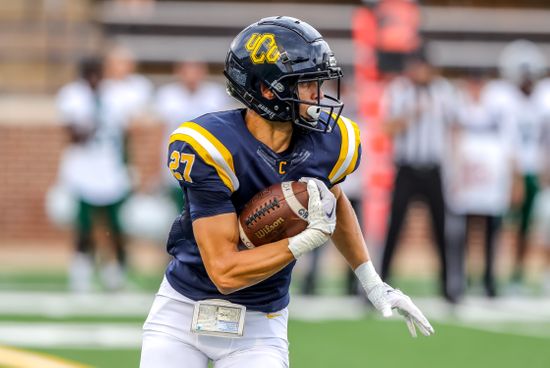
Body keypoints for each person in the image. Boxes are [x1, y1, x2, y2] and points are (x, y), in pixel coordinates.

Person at [140, 16, 433, 368]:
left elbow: (334, 201)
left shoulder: (330, 142)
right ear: (268, 90)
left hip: (260, 324)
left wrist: (372, 283)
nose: (319, 93)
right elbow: (224, 272)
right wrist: (302, 242)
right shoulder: (210, 146)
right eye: (307, 83)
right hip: (184, 312)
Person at [380, 51, 457, 302]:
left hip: (433, 170)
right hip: (407, 169)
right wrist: (412, 114)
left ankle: (448, 287)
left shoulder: (444, 91)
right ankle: (380, 285)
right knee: (395, 227)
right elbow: (387, 129)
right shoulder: (399, 90)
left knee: (441, 228)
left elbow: (455, 127)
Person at [444, 74, 516, 298]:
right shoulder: (459, 106)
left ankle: (489, 280)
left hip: (490, 181)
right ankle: (462, 279)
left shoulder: (498, 108)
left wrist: (511, 179)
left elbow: (508, 144)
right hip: (467, 179)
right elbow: (452, 139)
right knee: (462, 233)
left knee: (491, 232)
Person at [154, 60, 232, 210]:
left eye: (195, 71)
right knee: (179, 213)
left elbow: (224, 131)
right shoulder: (167, 95)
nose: (191, 76)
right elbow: (159, 132)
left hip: (207, 163)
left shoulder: (214, 94)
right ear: (179, 73)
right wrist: (157, 166)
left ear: (203, 73)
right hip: (176, 160)